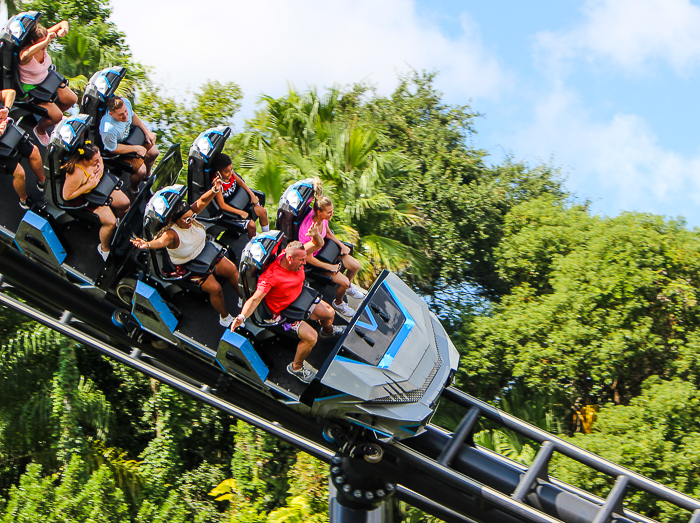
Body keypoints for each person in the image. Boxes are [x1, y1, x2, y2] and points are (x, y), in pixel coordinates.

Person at [230, 224, 345, 383]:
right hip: (283, 310)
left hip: (298, 294)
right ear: (289, 259)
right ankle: (296, 368)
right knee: (311, 338)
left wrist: (315, 234)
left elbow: (317, 244)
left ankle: (328, 330)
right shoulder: (271, 276)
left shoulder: (296, 253)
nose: (305, 263)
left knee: (329, 313)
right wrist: (242, 316)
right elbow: (255, 299)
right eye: (302, 261)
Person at [130, 177, 241, 327]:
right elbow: (160, 242)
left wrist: (215, 189)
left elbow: (202, 201)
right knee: (216, 289)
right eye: (186, 220)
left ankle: (243, 298)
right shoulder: (171, 234)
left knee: (232, 269)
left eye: (192, 217)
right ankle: (225, 317)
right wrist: (147, 244)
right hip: (189, 263)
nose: (191, 222)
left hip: (204, 251)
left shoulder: (188, 215)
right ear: (176, 221)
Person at [298, 178, 363, 317]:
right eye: (329, 212)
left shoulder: (323, 219)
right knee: (344, 282)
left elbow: (327, 232)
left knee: (355, 266)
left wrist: (341, 245)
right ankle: (338, 303)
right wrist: (330, 268)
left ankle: (349, 287)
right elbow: (307, 258)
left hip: (328, 251)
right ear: (319, 212)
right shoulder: (308, 231)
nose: (331, 215)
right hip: (317, 261)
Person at [62, 142, 130, 260]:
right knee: (110, 222)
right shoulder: (76, 174)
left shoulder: (95, 159)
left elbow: (101, 162)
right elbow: (67, 196)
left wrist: (100, 170)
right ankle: (104, 248)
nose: (98, 162)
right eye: (95, 161)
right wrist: (88, 185)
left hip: (99, 187)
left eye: (98, 158)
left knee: (125, 203)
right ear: (85, 160)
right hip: (85, 197)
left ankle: (121, 225)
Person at [18, 19, 78, 146]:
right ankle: (40, 129)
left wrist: (64, 30)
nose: (45, 45)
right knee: (57, 116)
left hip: (47, 81)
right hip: (32, 89)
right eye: (41, 43)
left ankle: (48, 118)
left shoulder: (42, 37)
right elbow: (24, 56)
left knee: (72, 99)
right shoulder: (25, 53)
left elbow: (63, 23)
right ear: (33, 42)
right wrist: (46, 41)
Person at [99, 96, 159, 194]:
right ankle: (133, 189)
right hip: (117, 151)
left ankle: (148, 176)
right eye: (121, 115)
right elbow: (112, 149)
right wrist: (135, 149)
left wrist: (147, 132)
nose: (125, 116)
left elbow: (132, 116)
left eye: (125, 111)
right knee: (141, 170)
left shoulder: (125, 103)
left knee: (154, 152)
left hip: (131, 139)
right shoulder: (108, 129)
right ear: (111, 114)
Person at [0, 92, 46, 209]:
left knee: (34, 152)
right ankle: (24, 199)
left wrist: (6, 108)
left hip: (6, 130)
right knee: (19, 173)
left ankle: (42, 182)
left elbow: (10, 92)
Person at [210, 153, 270, 239]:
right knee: (252, 225)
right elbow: (222, 205)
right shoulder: (218, 184)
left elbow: (241, 183)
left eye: (231, 169)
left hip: (240, 202)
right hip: (231, 212)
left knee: (262, 211)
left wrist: (252, 195)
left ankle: (267, 236)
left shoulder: (231, 174)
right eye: (227, 172)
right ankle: (253, 245)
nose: (230, 173)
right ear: (218, 172)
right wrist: (240, 212)